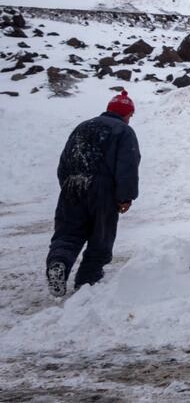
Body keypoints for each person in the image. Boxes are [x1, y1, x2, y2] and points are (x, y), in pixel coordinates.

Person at [45, 89, 141, 296]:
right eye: (130, 115)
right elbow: (127, 166)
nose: (130, 119)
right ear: (125, 114)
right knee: (101, 236)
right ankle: (87, 282)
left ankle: (58, 263)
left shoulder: (82, 127)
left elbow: (64, 162)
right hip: (102, 189)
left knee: (68, 232)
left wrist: (68, 187)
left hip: (72, 185)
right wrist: (125, 196)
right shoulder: (123, 131)